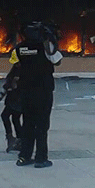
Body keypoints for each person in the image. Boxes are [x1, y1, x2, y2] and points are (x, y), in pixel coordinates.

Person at [12, 22, 62, 168]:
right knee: (42, 125)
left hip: (26, 91)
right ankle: (41, 158)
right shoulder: (45, 47)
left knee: (27, 124)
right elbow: (57, 61)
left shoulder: (20, 48)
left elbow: (17, 65)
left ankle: (24, 156)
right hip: (43, 91)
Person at [0, 62, 22, 152]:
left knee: (7, 116)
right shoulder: (15, 70)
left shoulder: (21, 71)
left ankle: (14, 138)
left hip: (17, 99)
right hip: (12, 98)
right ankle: (18, 139)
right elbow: (8, 83)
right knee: (14, 118)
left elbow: (11, 83)